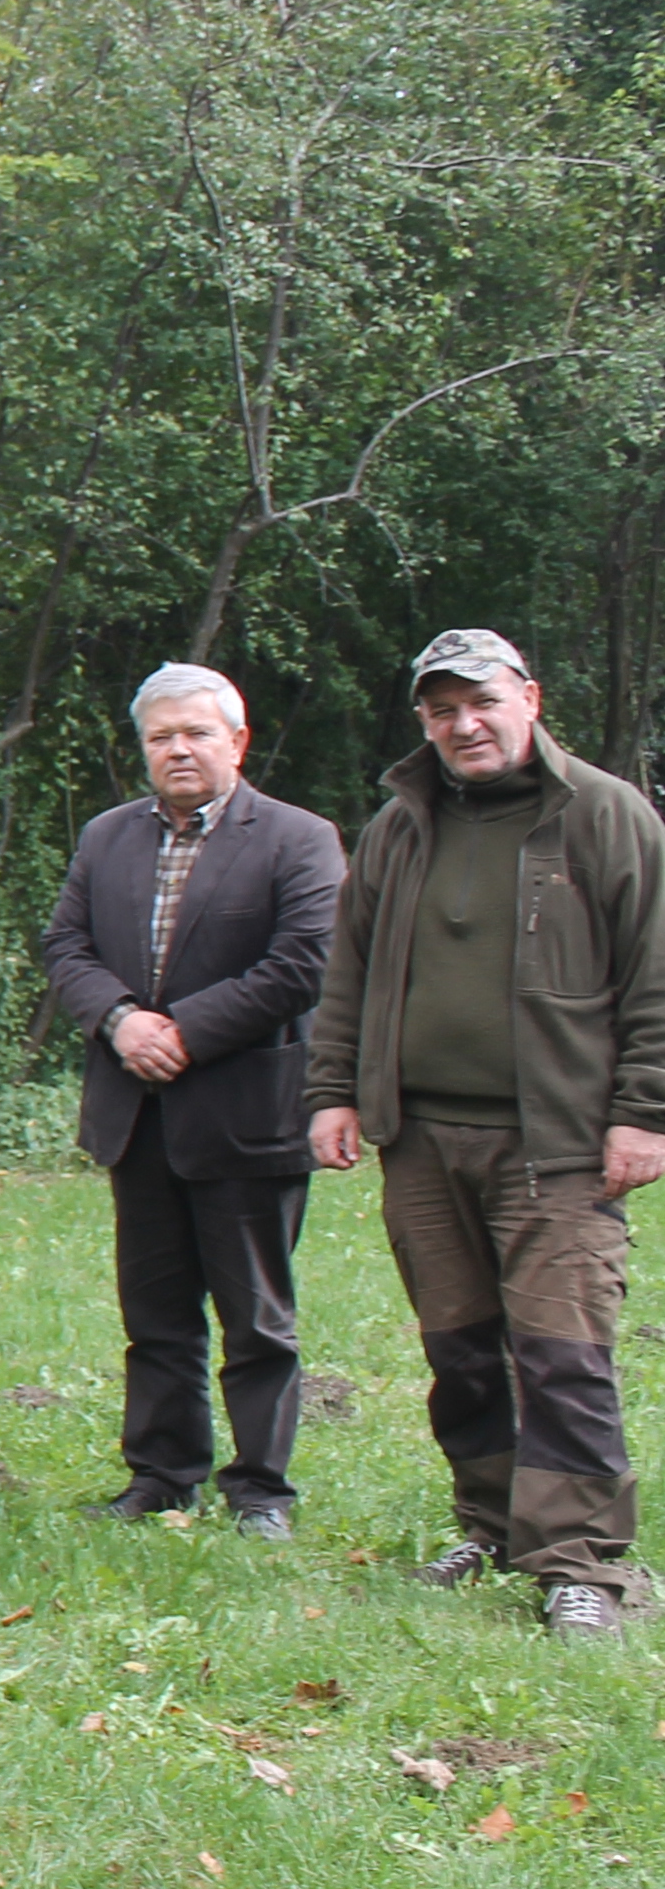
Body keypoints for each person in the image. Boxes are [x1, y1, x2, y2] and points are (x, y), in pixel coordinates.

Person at [307, 629, 665, 1638]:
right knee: (461, 1349)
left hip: (561, 1145)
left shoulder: (604, 815)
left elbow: (656, 976)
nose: (464, 724)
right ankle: (494, 1524)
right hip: (421, 1140)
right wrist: (333, 1090)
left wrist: (645, 1110)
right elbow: (353, 971)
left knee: (564, 1351)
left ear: (529, 699)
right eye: (441, 709)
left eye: (482, 702)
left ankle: (583, 1562)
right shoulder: (399, 827)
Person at [37, 664, 342, 1537]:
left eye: (197, 733)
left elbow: (305, 961)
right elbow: (65, 943)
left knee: (256, 1319)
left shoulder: (299, 838)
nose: (179, 749)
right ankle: (163, 1476)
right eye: (161, 736)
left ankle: (261, 1493)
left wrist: (185, 1031)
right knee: (156, 1316)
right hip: (139, 1116)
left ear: (237, 742)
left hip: (249, 1114)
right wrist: (122, 1021)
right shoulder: (108, 838)